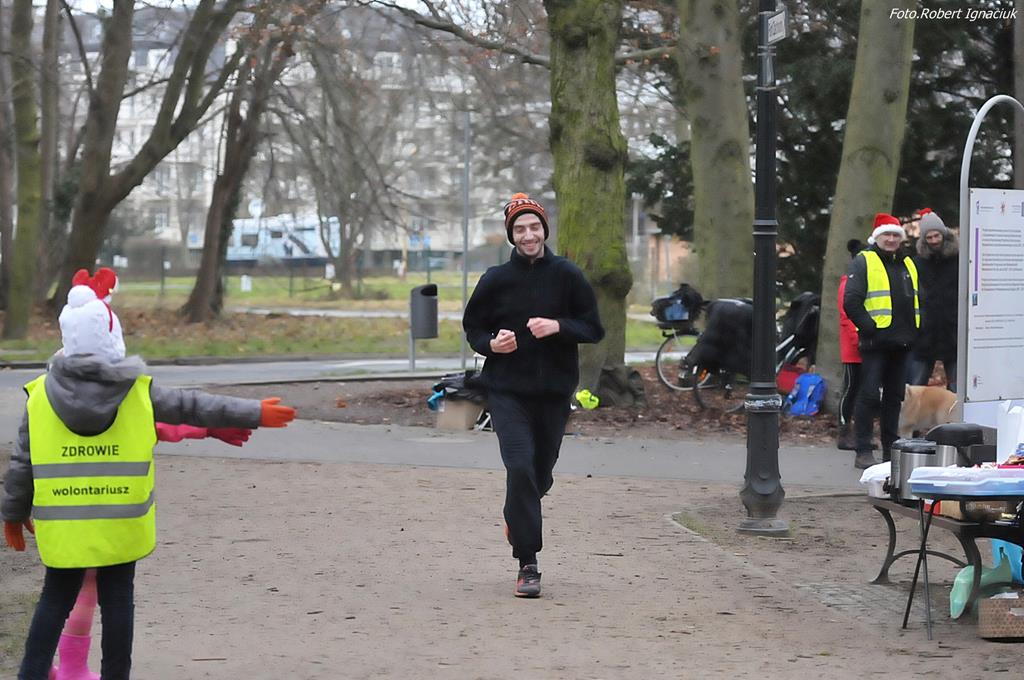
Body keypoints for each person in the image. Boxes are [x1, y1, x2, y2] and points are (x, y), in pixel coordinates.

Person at [2, 269, 297, 680]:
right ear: (113, 338)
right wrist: (254, 412)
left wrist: (12, 514)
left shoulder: (38, 398)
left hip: (65, 530)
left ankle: (31, 674)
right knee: (118, 605)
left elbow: (22, 463)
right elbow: (194, 406)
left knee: (53, 603)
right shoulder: (139, 391)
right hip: (122, 525)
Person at [462, 192, 604, 598]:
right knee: (519, 466)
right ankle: (528, 563)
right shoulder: (495, 280)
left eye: (534, 227)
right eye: (520, 229)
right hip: (507, 391)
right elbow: (473, 329)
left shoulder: (567, 275)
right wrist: (492, 344)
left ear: (544, 230)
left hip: (554, 393)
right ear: (512, 235)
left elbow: (593, 328)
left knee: (538, 476)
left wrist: (559, 327)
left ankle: (517, 514)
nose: (528, 235)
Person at [843, 213, 920, 469]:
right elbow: (851, 301)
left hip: (903, 342)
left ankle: (890, 450)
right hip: (876, 343)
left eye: (895, 235)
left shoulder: (908, 262)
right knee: (868, 396)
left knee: (894, 398)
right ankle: (863, 450)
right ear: (877, 237)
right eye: (886, 234)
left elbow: (918, 299)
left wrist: (916, 330)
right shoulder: (864, 261)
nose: (891, 239)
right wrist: (870, 328)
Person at [909, 208, 959, 392]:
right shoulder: (917, 263)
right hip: (925, 331)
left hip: (953, 330)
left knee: (957, 387)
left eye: (936, 236)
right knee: (915, 387)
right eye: (929, 238)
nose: (934, 241)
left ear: (943, 234)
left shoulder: (959, 260)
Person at [836, 239, 866, 452]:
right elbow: (846, 316)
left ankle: (860, 431)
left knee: (863, 391)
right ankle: (844, 430)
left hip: (867, 345)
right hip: (853, 347)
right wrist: (858, 340)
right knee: (850, 389)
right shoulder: (847, 283)